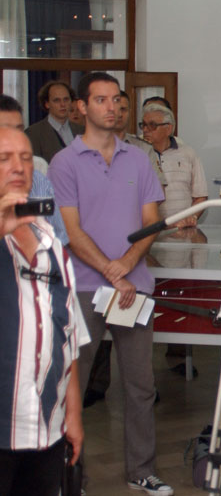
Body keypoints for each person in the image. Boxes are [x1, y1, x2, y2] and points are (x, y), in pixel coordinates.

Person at [48, 72, 171, 494]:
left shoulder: (137, 158)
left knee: (140, 385)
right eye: (100, 100)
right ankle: (70, 478)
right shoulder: (64, 163)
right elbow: (71, 230)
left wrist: (126, 265)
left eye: (116, 99)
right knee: (73, 387)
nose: (112, 107)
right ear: (81, 107)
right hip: (83, 288)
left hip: (133, 288)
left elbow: (152, 221)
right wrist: (111, 270)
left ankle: (141, 470)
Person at [0, 126, 87, 496]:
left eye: (25, 157)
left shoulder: (50, 242)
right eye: (4, 158)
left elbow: (69, 337)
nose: (18, 166)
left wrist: (73, 415)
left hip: (44, 429)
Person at [0, 94, 69, 244]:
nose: (15, 138)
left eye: (19, 130)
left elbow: (59, 240)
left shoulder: (38, 180)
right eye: (6, 131)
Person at [140, 103, 208, 226]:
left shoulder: (188, 153)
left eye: (152, 125)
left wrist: (190, 219)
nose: (145, 130)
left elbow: (201, 196)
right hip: (149, 228)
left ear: (168, 128)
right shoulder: (138, 155)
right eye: (143, 125)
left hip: (183, 230)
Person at [25, 80, 84, 162]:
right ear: (47, 104)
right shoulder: (34, 134)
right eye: (57, 100)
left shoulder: (82, 130)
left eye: (66, 99)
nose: (62, 104)